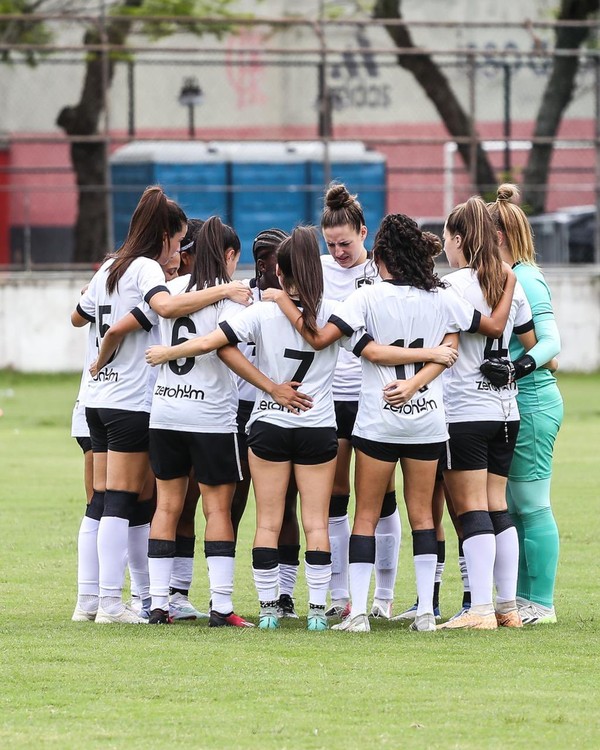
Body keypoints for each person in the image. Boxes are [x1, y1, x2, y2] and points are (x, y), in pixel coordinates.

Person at [265, 213, 517, 633]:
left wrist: (282, 301)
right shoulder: (440, 295)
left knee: (365, 515)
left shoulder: (366, 297)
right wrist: (507, 283)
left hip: (378, 421)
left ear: (380, 255)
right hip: (427, 421)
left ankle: (360, 613)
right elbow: (491, 325)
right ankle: (424, 614)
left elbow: (320, 338)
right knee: (423, 516)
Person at [70, 186, 252, 624]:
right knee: (122, 501)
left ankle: (89, 601)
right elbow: (167, 308)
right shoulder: (146, 268)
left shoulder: (110, 267)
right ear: (166, 235)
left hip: (95, 398)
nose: (179, 251)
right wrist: (224, 289)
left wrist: (112, 326)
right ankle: (113, 603)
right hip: (130, 400)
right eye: (177, 240)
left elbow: (77, 316)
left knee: (101, 502)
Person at [144, 217, 307, 627]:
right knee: (218, 510)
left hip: (164, 411)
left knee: (166, 506)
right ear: (230, 255)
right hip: (211, 416)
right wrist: (272, 387)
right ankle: (220, 607)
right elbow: (227, 352)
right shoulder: (235, 299)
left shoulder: (172, 290)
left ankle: (158, 604)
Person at [438, 195, 537, 631]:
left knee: (470, 507)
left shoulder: (454, 285)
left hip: (465, 409)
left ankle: (479, 610)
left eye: (445, 236)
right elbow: (525, 338)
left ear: (458, 238)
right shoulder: (509, 280)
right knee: (498, 505)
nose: (443, 244)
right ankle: (507, 606)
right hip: (506, 409)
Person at [319, 183, 402, 621]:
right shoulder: (316, 269)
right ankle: (338, 594)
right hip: (331, 397)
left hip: (376, 395)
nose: (338, 252)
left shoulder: (383, 272)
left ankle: (384, 597)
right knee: (335, 494)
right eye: (331, 244)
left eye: (346, 243)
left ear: (364, 234)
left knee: (382, 498)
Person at [485, 183, 563, 625]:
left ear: (496, 237)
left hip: (532, 402)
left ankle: (542, 603)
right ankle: (520, 599)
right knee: (513, 505)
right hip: (515, 404)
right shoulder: (509, 276)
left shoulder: (527, 278)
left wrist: (519, 367)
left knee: (532, 504)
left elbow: (552, 342)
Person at [232, 228, 302, 619]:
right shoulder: (239, 298)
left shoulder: (295, 300)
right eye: (283, 263)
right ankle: (221, 594)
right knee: (235, 502)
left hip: (284, 409)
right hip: (242, 408)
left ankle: (285, 595)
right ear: (264, 265)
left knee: (284, 504)